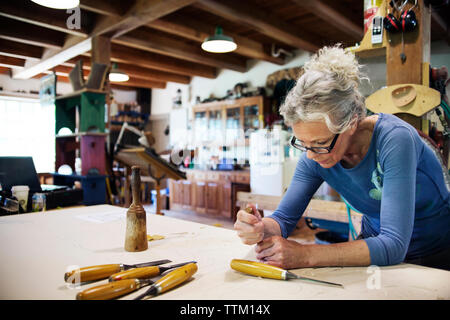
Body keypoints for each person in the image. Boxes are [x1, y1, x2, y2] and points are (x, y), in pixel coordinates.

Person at [234, 44, 450, 270]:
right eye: (303, 143)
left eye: (320, 143)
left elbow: (394, 244)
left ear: (352, 123)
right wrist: (260, 228)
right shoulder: (314, 153)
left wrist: (305, 254)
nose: (310, 154)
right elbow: (283, 220)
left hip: (435, 251)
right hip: (377, 249)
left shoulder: (394, 140)